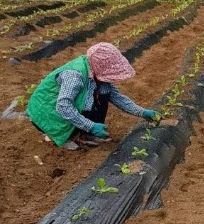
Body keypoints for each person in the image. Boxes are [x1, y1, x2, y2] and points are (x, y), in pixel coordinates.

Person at [26, 42, 159, 152]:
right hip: (47, 112)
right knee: (78, 106)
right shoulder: (75, 75)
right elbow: (63, 106)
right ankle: (63, 136)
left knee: (102, 97)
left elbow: (117, 98)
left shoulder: (98, 76)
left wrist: (141, 111)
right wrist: (91, 126)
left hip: (63, 108)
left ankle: (83, 134)